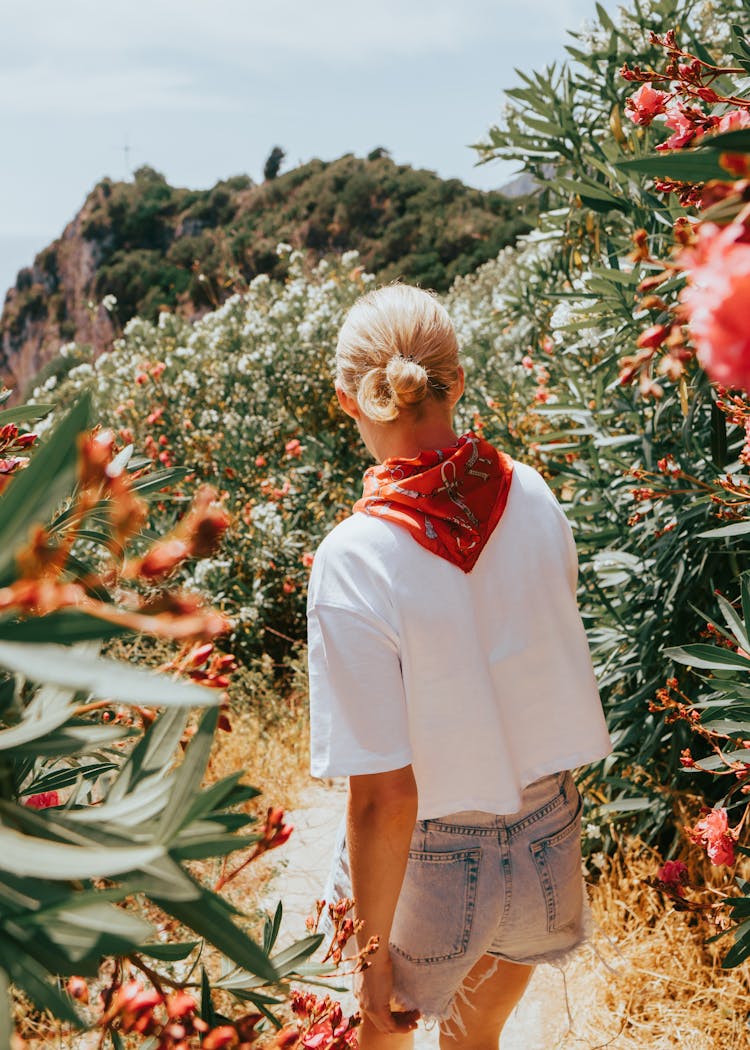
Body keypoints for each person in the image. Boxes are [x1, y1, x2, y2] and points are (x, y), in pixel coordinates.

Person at [306, 284, 612, 1050]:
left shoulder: (355, 558)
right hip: (547, 837)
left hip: (431, 869)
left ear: (350, 401)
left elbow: (382, 796)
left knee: (377, 1037)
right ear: (460, 381)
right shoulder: (536, 496)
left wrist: (370, 962)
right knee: (477, 1043)